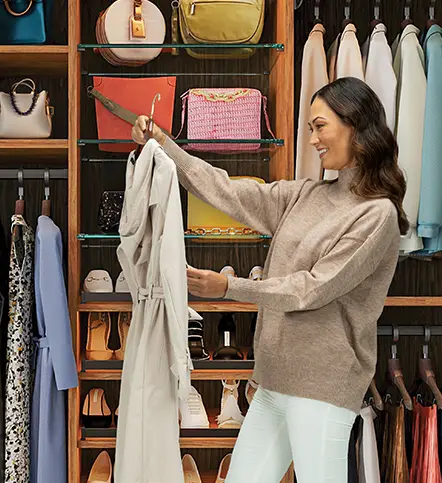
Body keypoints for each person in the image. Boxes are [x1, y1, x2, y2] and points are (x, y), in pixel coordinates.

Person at [131, 77, 407, 482]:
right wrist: (162, 143)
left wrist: (229, 287)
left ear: (355, 125)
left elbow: (312, 288)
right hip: (275, 380)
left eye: (319, 126)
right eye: (310, 128)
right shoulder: (307, 195)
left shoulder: (376, 215)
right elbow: (228, 191)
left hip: (323, 388)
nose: (312, 139)